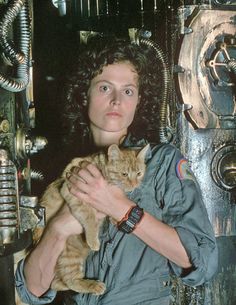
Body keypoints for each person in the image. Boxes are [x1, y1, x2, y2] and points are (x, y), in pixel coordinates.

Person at [15, 39, 218, 305]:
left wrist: (120, 207)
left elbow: (203, 264)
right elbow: (29, 292)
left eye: (128, 91)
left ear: (139, 100)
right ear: (83, 93)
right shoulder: (62, 169)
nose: (116, 100)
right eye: (104, 87)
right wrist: (58, 229)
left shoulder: (161, 164)